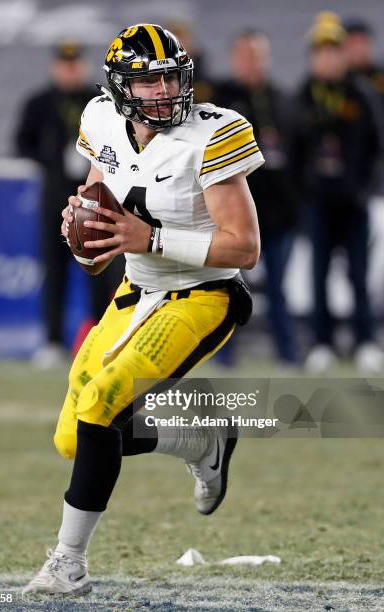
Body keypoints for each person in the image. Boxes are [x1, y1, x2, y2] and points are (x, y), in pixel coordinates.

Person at [22, 24, 263, 596]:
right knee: (75, 439)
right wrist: (82, 229)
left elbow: (245, 248)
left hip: (205, 295)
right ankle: (201, 439)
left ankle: (67, 564)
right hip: (136, 291)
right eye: (147, 79)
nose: (162, 89)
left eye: (170, 76)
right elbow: (98, 202)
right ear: (118, 87)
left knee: (102, 406)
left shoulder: (213, 134)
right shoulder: (102, 120)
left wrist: (150, 239)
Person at [14, 41, 123, 368]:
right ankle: (52, 341)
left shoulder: (101, 102)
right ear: (55, 67)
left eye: (75, 64)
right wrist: (48, 159)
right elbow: (22, 142)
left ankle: (100, 337)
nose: (70, 70)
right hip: (55, 198)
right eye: (65, 64)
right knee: (55, 270)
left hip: (97, 199)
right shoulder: (40, 102)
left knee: (99, 272)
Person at [295, 13, 383, 373]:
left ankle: (365, 341)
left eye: (334, 50)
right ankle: (321, 343)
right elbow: (294, 149)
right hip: (318, 204)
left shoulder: (362, 94)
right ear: (313, 55)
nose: (328, 58)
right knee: (317, 276)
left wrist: (364, 190)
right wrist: (303, 194)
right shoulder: (302, 95)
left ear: (343, 54)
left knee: (359, 276)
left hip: (353, 203)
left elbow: (377, 146)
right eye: (321, 51)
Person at [214, 29, 299, 366]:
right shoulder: (219, 101)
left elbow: (298, 153)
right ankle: (223, 354)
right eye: (245, 56)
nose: (251, 63)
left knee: (278, 289)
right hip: (233, 215)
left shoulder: (283, 100)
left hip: (277, 215)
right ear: (235, 59)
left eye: (257, 56)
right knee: (227, 287)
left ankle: (287, 353)